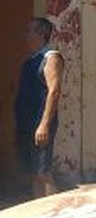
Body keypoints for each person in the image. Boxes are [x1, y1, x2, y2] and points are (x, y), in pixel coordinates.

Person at [14, 17, 63, 197]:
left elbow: (54, 91)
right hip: (26, 123)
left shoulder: (51, 58)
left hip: (39, 124)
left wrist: (44, 124)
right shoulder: (30, 61)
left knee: (44, 172)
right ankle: (42, 217)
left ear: (41, 33)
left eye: (29, 31)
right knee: (34, 173)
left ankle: (58, 216)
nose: (26, 35)